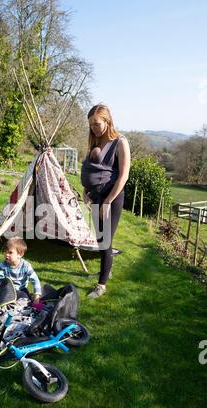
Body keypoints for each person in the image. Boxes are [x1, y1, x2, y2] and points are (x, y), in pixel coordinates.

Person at [81, 104, 131, 299]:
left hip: (112, 198)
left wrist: (108, 201)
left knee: (106, 240)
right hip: (95, 196)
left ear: (107, 121)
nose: (93, 128)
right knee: (100, 239)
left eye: (97, 124)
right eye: (91, 124)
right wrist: (86, 189)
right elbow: (91, 167)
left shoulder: (120, 142)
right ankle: (106, 269)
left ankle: (101, 285)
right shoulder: (94, 141)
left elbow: (123, 176)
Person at [0, 237, 41, 302]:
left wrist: (37, 295)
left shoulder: (26, 266)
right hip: (8, 290)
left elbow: (35, 280)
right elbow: (1, 281)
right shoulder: (2, 266)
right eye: (5, 251)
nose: (6, 254)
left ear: (20, 254)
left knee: (25, 301)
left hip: (21, 289)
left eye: (10, 252)